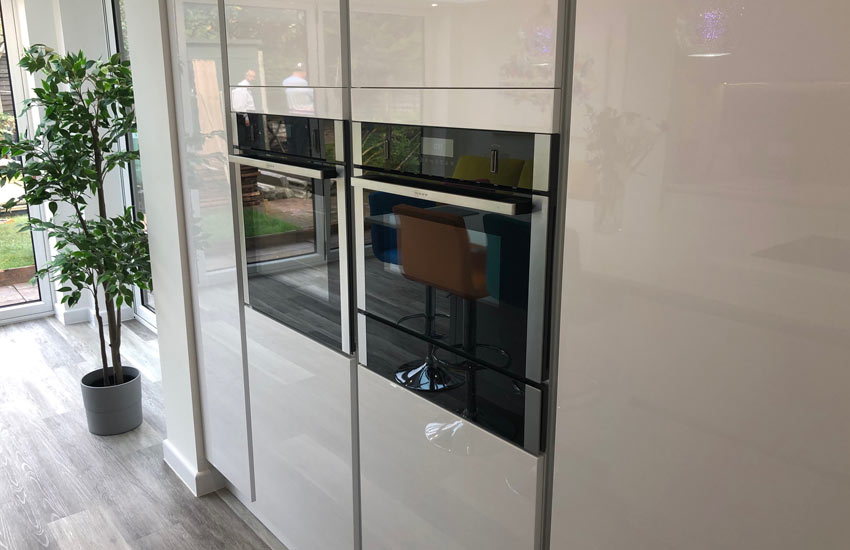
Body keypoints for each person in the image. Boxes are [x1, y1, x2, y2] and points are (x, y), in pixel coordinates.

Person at [282, 63, 314, 156]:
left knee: (291, 137)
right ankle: (302, 158)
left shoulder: (285, 82)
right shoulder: (303, 83)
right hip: (303, 115)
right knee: (302, 139)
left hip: (290, 114)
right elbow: (313, 96)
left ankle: (293, 158)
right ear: (303, 72)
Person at [231, 69, 262, 149]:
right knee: (247, 134)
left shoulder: (248, 86)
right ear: (246, 76)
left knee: (252, 134)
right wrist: (246, 117)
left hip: (251, 112)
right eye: (251, 76)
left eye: (254, 77)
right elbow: (240, 105)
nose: (253, 79)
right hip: (246, 114)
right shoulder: (242, 88)